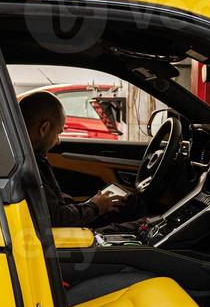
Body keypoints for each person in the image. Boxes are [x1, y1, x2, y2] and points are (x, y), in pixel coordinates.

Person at [20, 90, 130, 228]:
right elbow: (58, 218)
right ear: (44, 128)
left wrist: (87, 205)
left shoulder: (29, 158)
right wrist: (95, 207)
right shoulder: (27, 166)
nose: (58, 141)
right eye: (58, 133)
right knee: (131, 206)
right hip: (57, 237)